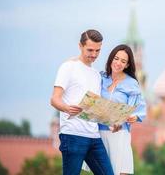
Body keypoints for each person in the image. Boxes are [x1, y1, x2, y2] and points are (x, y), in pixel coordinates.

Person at [50, 29, 114, 175]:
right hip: (73, 135)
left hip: (94, 137)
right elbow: (54, 99)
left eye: (98, 50)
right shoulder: (68, 67)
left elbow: (95, 107)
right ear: (80, 46)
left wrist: (112, 120)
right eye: (90, 50)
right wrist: (66, 108)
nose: (94, 54)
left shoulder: (96, 75)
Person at [99, 44, 146, 175]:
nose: (118, 63)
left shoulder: (131, 84)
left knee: (120, 171)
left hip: (119, 134)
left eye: (123, 61)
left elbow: (139, 109)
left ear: (127, 65)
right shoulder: (101, 78)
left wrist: (133, 117)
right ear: (111, 59)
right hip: (99, 134)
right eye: (116, 58)